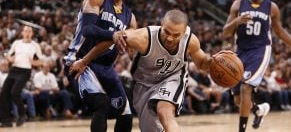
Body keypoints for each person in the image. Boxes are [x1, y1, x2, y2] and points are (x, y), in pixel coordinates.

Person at [70, 9, 222, 132]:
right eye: (167, 32)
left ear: (183, 33)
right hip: (143, 85)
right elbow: (113, 38)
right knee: (152, 129)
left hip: (172, 78)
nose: (170, 38)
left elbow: (202, 63)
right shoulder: (143, 37)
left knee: (165, 111)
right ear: (161, 25)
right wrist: (84, 61)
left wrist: (214, 63)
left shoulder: (190, 41)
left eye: (176, 35)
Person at [63, 0, 137, 132]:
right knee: (101, 104)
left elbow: (132, 50)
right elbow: (88, 29)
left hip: (105, 67)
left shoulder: (130, 17)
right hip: (80, 60)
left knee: (125, 112)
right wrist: (113, 35)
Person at [223, 0, 291, 132]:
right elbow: (225, 33)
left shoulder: (272, 7)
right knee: (238, 99)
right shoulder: (238, 5)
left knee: (246, 87)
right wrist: (236, 22)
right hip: (241, 51)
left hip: (260, 50)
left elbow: (279, 31)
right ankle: (259, 110)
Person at [0, 25, 43, 127]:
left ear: (32, 34)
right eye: (26, 31)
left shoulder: (35, 45)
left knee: (15, 92)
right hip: (14, 69)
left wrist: (34, 62)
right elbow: (9, 56)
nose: (27, 33)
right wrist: (10, 59)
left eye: (29, 31)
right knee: (4, 93)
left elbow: (41, 61)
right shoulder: (16, 43)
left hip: (25, 71)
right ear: (22, 33)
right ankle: (6, 121)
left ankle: (22, 114)